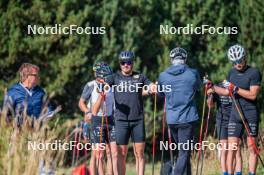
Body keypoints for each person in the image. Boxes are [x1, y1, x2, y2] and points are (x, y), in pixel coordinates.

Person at [206, 44, 262, 175]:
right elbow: (227, 92)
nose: (238, 64)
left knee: (252, 148)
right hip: (235, 114)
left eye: (240, 60)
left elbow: (253, 95)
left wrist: (235, 88)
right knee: (232, 148)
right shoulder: (231, 73)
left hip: (250, 113)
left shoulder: (254, 72)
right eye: (234, 62)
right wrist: (212, 87)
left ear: (245, 58)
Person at [106, 51, 156, 175]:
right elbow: (104, 84)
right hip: (121, 121)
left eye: (128, 62)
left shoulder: (140, 76)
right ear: (120, 64)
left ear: (132, 63)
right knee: (121, 153)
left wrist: (152, 88)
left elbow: (150, 85)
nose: (126, 65)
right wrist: (103, 87)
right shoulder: (114, 77)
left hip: (137, 120)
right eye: (123, 62)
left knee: (139, 153)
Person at [157, 47, 201, 175]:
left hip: (172, 120)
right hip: (188, 119)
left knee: (183, 152)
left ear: (172, 60)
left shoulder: (163, 76)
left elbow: (160, 94)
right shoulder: (193, 73)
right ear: (185, 59)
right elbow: (198, 87)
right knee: (184, 152)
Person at [78, 61, 118, 175]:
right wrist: (87, 111)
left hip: (109, 120)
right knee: (95, 154)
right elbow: (81, 102)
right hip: (94, 120)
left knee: (110, 152)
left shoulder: (111, 85)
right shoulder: (90, 85)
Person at [207, 81, 242, 175]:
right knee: (224, 148)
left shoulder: (235, 85)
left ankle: (237, 173)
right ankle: (225, 173)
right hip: (222, 120)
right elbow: (210, 105)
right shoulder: (217, 86)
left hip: (234, 119)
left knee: (235, 148)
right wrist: (209, 95)